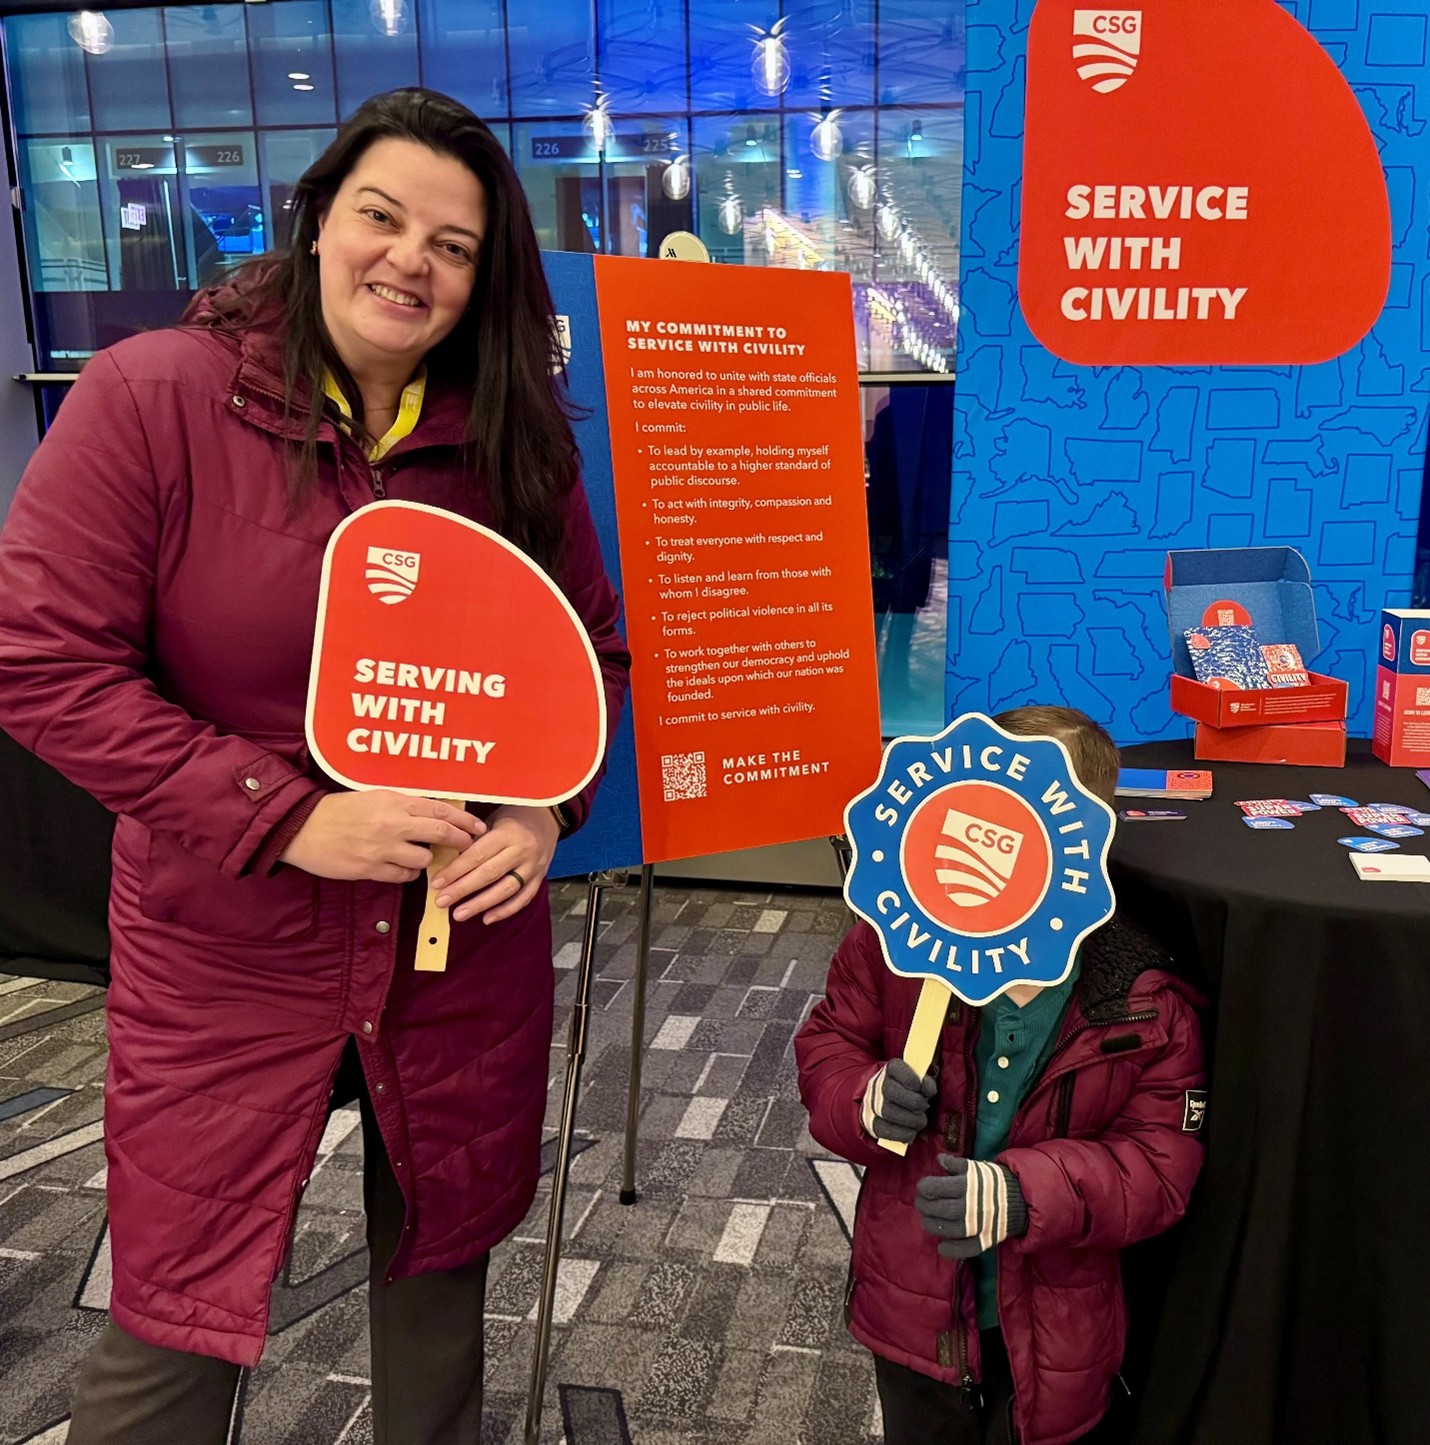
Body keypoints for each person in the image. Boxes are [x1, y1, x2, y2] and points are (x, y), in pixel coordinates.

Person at [0, 88, 630, 1444]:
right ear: (318, 220)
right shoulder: (153, 397)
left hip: (458, 948)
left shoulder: (512, 434)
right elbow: (41, 660)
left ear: (484, 278)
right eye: (380, 218)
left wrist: (541, 809)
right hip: (227, 941)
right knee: (175, 1314)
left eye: (453, 245)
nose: (410, 261)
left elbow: (591, 657)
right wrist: (283, 816)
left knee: (438, 1287)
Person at [795, 706, 1207, 1445]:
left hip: (1056, 1333)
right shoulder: (895, 946)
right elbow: (829, 1042)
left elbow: (1160, 1166)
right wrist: (863, 1098)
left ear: (1083, 841)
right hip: (911, 1309)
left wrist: (1025, 1191)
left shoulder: (1142, 1000)